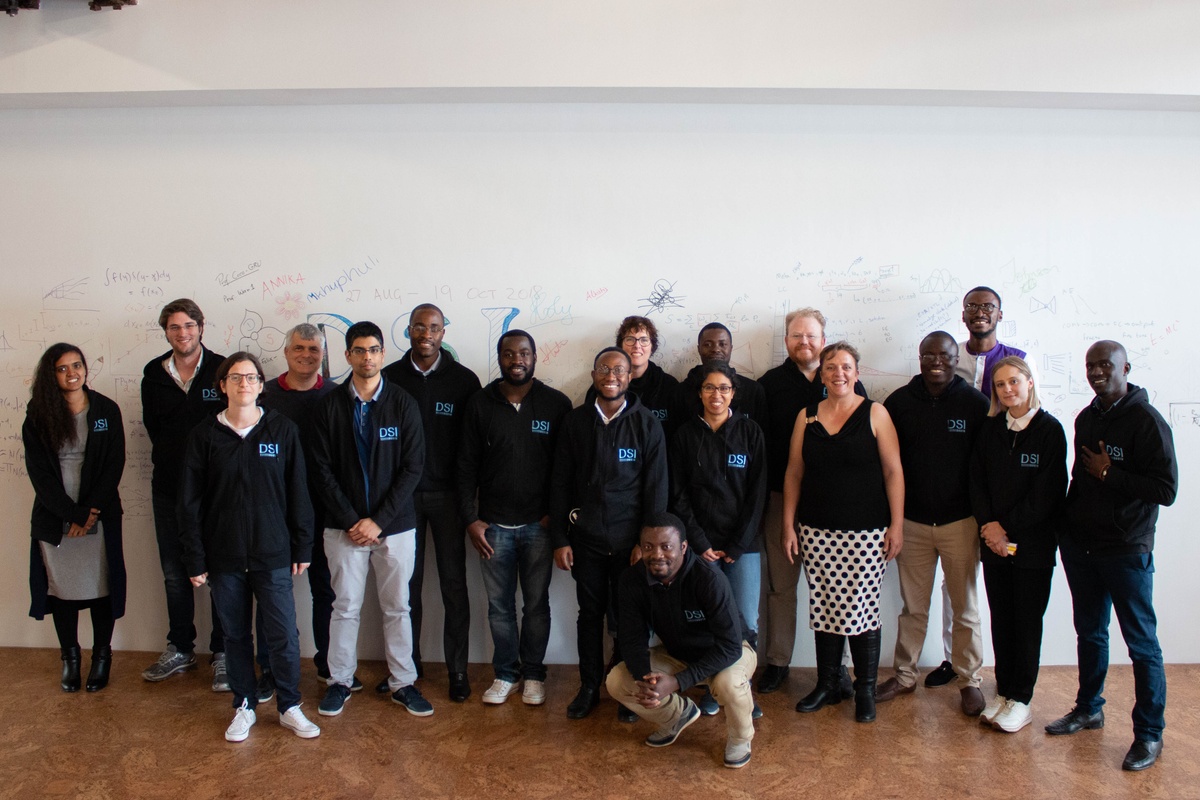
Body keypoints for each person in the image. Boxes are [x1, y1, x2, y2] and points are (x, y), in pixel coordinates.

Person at [1046, 341, 1177, 772]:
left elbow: (1166, 490)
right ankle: (1089, 709)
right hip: (1082, 547)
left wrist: (1112, 473)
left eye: (1106, 365)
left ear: (1125, 368)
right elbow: (1078, 480)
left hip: (1126, 549)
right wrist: (1065, 527)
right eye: (1091, 365)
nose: (1097, 371)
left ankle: (1149, 734)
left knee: (1141, 644)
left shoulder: (1147, 421)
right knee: (1090, 632)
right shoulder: (1086, 418)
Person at [179, 352, 320, 742]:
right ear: (222, 385)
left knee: (282, 634)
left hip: (273, 552)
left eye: (252, 377)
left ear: (262, 384)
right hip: (223, 556)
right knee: (234, 635)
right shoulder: (204, 436)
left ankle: (290, 705)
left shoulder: (282, 431)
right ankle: (243, 704)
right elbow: (189, 504)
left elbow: (299, 494)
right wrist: (195, 556)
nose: (244, 384)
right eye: (236, 377)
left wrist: (302, 546)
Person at [921, 285, 1039, 689]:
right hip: (951, 491)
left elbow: (1030, 419)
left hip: (994, 489)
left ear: (1000, 314)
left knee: (968, 590)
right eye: (972, 306)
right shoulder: (949, 355)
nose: (980, 313)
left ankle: (972, 671)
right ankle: (953, 661)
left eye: (988, 307)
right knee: (949, 587)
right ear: (963, 314)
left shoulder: (1016, 361)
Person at [311, 321, 431, 718]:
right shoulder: (328, 406)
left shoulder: (402, 402)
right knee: (343, 607)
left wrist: (377, 521)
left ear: (383, 354)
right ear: (348, 356)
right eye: (359, 350)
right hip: (342, 527)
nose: (367, 357)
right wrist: (352, 520)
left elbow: (412, 468)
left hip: (395, 527)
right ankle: (340, 681)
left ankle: (402, 683)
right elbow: (321, 469)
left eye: (374, 350)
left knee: (398, 607)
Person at [782, 342, 904, 723]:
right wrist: (788, 525)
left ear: (857, 372)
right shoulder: (807, 416)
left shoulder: (876, 413)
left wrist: (896, 524)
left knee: (862, 611)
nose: (838, 373)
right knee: (824, 608)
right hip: (816, 531)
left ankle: (864, 689)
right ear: (821, 374)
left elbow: (893, 472)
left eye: (846, 366)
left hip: (867, 532)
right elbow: (794, 472)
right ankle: (829, 684)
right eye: (831, 366)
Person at [550, 347, 668, 720]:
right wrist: (561, 538)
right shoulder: (576, 422)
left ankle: (626, 689)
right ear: (594, 374)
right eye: (605, 368)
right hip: (585, 541)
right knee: (590, 615)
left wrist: (644, 545)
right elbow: (560, 483)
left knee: (628, 618)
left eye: (620, 369)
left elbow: (656, 489)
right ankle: (589, 687)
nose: (612, 375)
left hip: (630, 545)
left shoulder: (646, 423)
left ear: (630, 376)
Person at [876, 332, 989, 716]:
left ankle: (969, 679)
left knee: (965, 608)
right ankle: (905, 675)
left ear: (958, 359)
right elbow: (887, 466)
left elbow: (984, 468)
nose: (937, 361)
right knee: (913, 607)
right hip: (913, 522)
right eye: (929, 355)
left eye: (945, 355)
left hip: (961, 522)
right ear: (920, 357)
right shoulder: (899, 403)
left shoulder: (975, 403)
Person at [458, 329, 571, 706]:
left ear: (535, 357)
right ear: (500, 357)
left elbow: (565, 470)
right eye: (509, 354)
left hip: (539, 528)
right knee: (499, 608)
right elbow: (465, 466)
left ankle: (535, 674)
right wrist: (471, 520)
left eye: (524, 353)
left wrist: (553, 519)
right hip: (493, 529)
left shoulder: (556, 404)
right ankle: (506, 673)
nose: (517, 360)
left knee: (536, 606)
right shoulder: (480, 403)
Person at [756, 307, 865, 695]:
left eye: (812, 336)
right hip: (780, 500)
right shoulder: (767, 385)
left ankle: (840, 672)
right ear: (786, 341)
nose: (804, 342)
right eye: (796, 336)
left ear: (823, 340)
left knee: (839, 589)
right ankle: (778, 661)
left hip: (833, 508)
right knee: (781, 588)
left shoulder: (843, 381)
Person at [381, 304, 481, 701]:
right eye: (419, 327)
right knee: (405, 589)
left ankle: (458, 671)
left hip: (449, 500)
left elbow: (473, 449)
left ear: (444, 332)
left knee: (455, 587)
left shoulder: (464, 381)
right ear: (407, 331)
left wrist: (470, 502)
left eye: (435, 327)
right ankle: (408, 667)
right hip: (401, 500)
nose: (427, 333)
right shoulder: (388, 378)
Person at [606, 513, 758, 769]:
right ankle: (676, 717)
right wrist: (648, 681)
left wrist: (678, 682)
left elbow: (731, 645)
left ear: (683, 547)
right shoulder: (632, 580)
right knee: (618, 680)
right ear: (640, 548)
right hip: (677, 653)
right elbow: (632, 639)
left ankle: (740, 739)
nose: (657, 555)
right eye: (648, 547)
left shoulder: (709, 579)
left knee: (728, 683)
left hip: (729, 653)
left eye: (667, 547)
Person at [968, 356, 1067, 733]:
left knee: (1026, 624)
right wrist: (989, 528)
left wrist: (1004, 528)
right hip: (994, 547)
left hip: (1032, 548)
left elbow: (1047, 494)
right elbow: (976, 480)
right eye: (1000, 385)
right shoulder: (992, 428)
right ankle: (1004, 692)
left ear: (1029, 382)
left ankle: (1021, 699)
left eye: (1014, 382)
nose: (1007, 390)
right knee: (1003, 621)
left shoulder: (1049, 430)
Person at [23, 344, 126, 693]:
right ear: (51, 375)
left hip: (100, 511)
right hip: (56, 514)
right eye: (62, 368)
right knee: (61, 590)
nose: (72, 373)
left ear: (85, 368)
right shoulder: (38, 415)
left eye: (77, 365)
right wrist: (72, 515)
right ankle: (70, 659)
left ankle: (101, 657)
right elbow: (40, 475)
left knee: (102, 588)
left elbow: (114, 464)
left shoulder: (106, 410)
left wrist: (90, 512)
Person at [140, 298, 229, 689]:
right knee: (176, 574)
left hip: (217, 492)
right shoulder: (153, 374)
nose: (183, 333)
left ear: (201, 327)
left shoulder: (222, 370)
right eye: (174, 327)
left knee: (223, 574)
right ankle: (180, 648)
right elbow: (155, 430)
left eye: (189, 326)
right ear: (166, 332)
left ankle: (224, 653)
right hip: (170, 491)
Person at [669, 361, 766, 716]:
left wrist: (738, 544)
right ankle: (713, 687)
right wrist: (698, 542)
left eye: (724, 388)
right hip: (698, 548)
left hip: (742, 547)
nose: (716, 395)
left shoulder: (751, 433)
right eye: (710, 388)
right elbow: (677, 495)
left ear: (734, 393)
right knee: (708, 620)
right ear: (700, 393)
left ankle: (742, 691)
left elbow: (757, 495)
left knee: (745, 622)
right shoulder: (683, 436)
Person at [260, 323, 351, 697]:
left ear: (323, 355)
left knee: (325, 593)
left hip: (321, 510)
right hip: (273, 512)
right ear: (286, 352)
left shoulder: (336, 396)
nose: (306, 355)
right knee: (269, 592)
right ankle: (269, 669)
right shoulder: (263, 396)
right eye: (299, 348)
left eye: (314, 350)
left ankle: (328, 667)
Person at [677, 323, 767, 424]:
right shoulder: (681, 392)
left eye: (722, 344)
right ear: (699, 349)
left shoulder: (753, 391)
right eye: (708, 345)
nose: (715, 349)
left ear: (731, 348)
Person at [615, 315, 681, 435]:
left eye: (644, 340)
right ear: (621, 346)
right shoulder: (608, 384)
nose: (637, 345)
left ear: (652, 346)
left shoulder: (669, 386)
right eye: (630, 339)